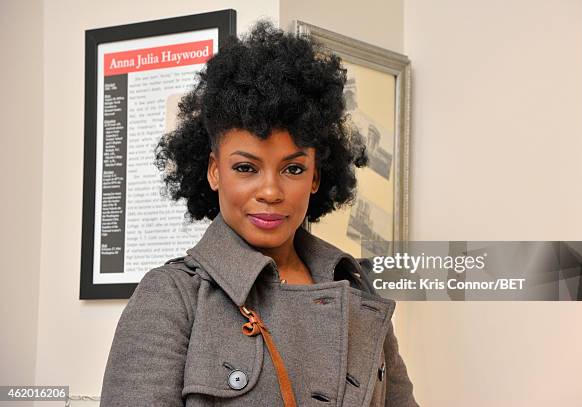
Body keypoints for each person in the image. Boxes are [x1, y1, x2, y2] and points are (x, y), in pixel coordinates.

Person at [100, 19, 419, 407]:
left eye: (293, 169)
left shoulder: (355, 292)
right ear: (214, 171)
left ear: (316, 177)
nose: (270, 191)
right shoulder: (173, 297)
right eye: (246, 168)